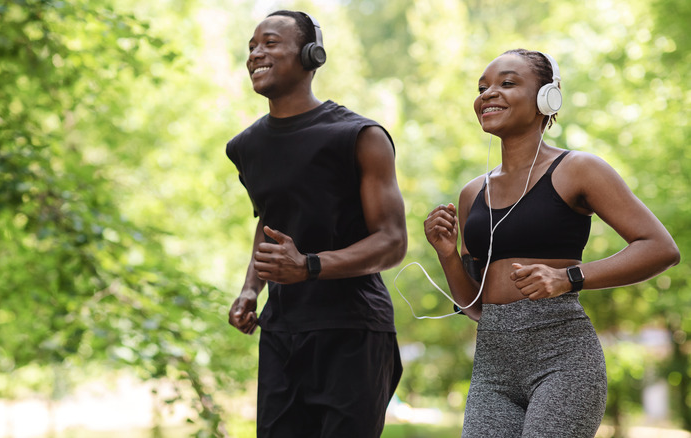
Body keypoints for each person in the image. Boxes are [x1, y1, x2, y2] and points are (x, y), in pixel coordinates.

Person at [424, 48, 680, 437]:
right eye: (482, 87)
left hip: (563, 360)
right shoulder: (471, 193)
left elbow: (660, 248)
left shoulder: (579, 169)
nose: (488, 93)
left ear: (548, 97)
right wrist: (446, 255)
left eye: (507, 83)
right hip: (492, 369)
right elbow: (474, 307)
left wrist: (569, 278)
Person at [225, 10, 407, 438]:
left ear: (311, 55)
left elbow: (393, 241)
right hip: (281, 333)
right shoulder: (246, 146)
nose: (256, 53)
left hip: (353, 331)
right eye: (251, 46)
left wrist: (309, 265)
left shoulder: (360, 136)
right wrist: (251, 288)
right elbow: (270, 222)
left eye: (269, 43)